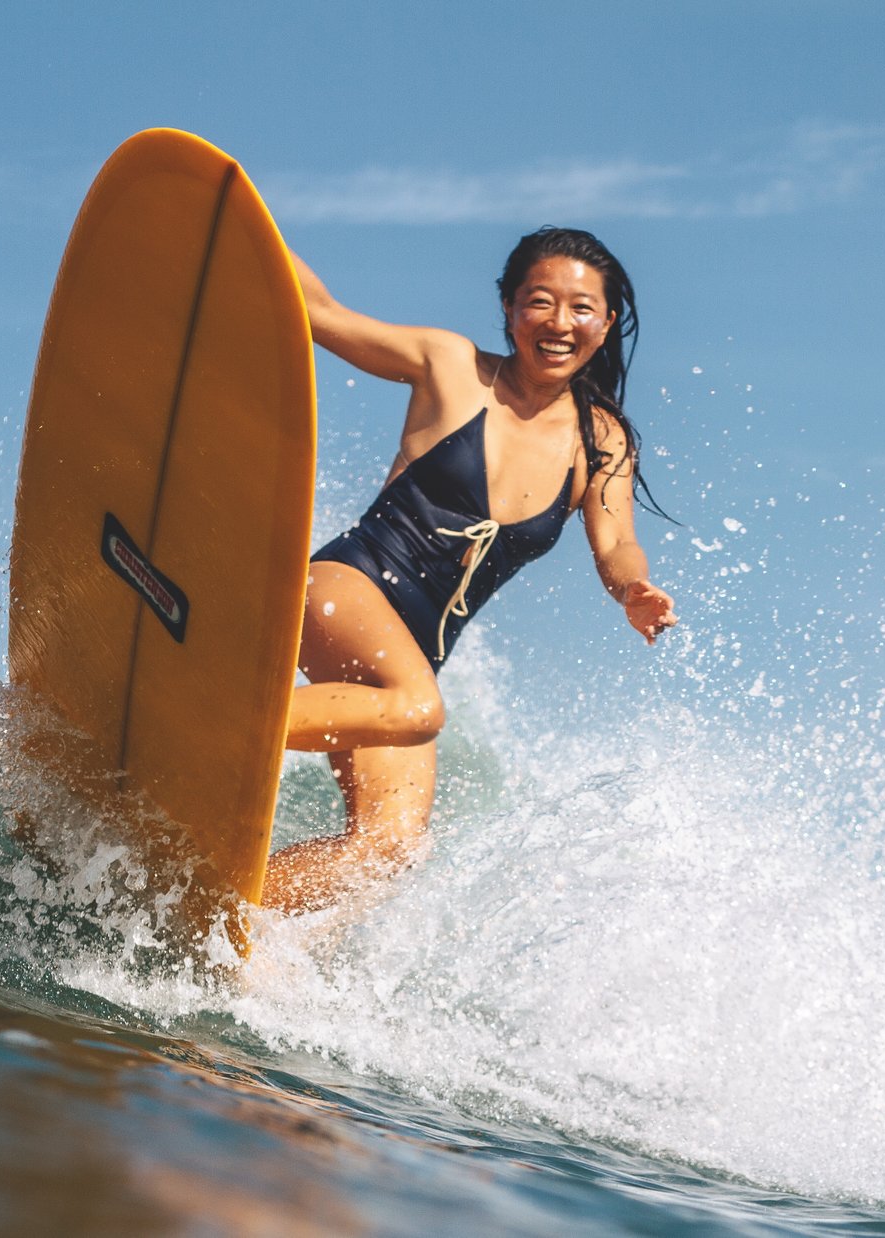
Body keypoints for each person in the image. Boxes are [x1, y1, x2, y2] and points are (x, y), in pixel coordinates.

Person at [260, 227, 677, 914]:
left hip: (415, 646)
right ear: (510, 307)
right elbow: (324, 316)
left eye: (581, 309)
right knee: (420, 709)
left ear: (605, 324)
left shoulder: (601, 439)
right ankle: (226, 726)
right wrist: (240, 221)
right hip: (348, 585)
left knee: (388, 850)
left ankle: (225, 915)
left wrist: (633, 590)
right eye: (540, 301)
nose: (559, 323)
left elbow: (616, 544)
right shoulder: (450, 366)